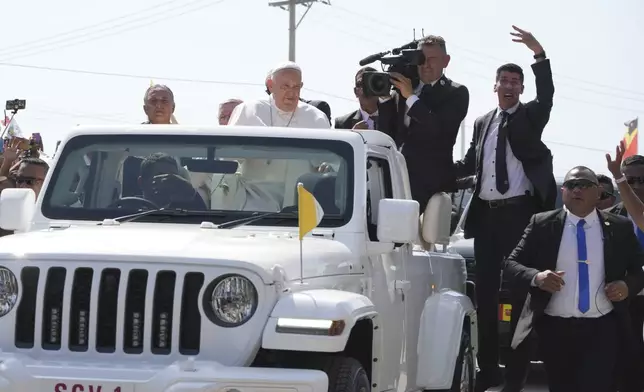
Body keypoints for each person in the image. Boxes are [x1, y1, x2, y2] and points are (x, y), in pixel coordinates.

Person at [453, 26, 556, 392]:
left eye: (516, 81)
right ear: (495, 85)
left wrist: (538, 54)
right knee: (484, 298)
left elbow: (547, 96)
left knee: (519, 296)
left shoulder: (530, 116)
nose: (510, 86)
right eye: (504, 80)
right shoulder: (483, 123)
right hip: (486, 219)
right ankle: (487, 373)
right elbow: (467, 167)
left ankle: (515, 378)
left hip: (520, 217)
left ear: (521, 89)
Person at [504, 166, 644, 392]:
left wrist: (627, 286)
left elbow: (639, 271)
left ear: (598, 193)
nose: (577, 189)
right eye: (571, 185)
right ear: (563, 192)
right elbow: (511, 265)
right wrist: (537, 277)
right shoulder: (542, 224)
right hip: (555, 329)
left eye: (584, 184)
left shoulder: (619, 227)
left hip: (602, 328)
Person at [377, 35, 469, 211]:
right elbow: (387, 135)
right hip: (395, 180)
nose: (426, 65)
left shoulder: (456, 92)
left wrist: (411, 97)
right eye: (422, 59)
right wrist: (385, 99)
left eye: (433, 59)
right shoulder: (403, 90)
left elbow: (437, 129)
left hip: (431, 187)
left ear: (446, 61)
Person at [605, 145, 644, 392]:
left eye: (642, 180)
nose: (637, 186)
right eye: (630, 180)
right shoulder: (608, 217)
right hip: (625, 296)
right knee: (625, 360)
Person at [228, 61, 330, 129]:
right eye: (285, 87)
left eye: (296, 87)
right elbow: (229, 153)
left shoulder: (316, 118)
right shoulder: (249, 111)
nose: (291, 93)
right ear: (270, 85)